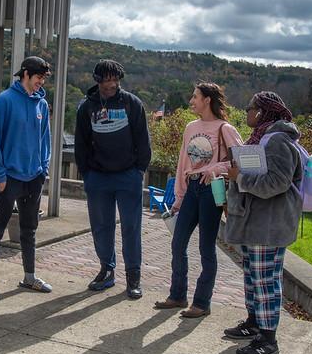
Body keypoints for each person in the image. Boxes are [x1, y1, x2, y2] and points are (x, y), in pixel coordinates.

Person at [224, 91, 303, 354]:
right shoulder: (264, 138)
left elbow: (276, 183)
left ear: (260, 112)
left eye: (249, 108)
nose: (246, 113)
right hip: (256, 223)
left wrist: (240, 178)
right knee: (253, 276)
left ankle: (268, 341)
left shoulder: (279, 141)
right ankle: (254, 324)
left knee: (265, 280)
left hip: (268, 227)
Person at [154, 83, 243, 318]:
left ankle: (202, 303)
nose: (191, 101)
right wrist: (179, 197)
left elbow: (241, 160)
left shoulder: (225, 128)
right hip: (192, 188)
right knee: (178, 242)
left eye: (195, 97)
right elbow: (183, 163)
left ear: (207, 100)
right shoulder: (190, 127)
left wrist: (214, 167)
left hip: (211, 190)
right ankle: (177, 295)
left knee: (206, 248)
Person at [74, 59, 152, 299]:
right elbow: (81, 143)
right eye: (107, 80)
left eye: (115, 80)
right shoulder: (86, 107)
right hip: (98, 177)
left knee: (131, 227)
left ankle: (133, 278)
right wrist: (87, 173)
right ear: (98, 80)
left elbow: (143, 141)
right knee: (101, 227)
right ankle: (107, 270)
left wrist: (138, 171)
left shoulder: (131, 103)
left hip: (127, 176)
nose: (111, 84)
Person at [0, 56, 53, 303]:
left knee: (29, 230)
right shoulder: (5, 101)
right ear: (25, 75)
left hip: (34, 178)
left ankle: (29, 277)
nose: (41, 83)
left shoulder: (42, 104)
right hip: (8, 177)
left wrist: (44, 168)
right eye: (38, 77)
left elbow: (45, 140)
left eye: (44, 78)